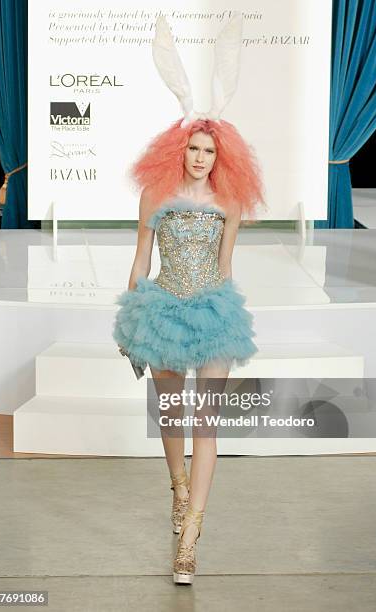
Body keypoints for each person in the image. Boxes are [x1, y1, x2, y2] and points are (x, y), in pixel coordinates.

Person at [112, 14, 267, 585]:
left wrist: (224, 310)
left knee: (206, 421)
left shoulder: (230, 206)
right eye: (194, 148)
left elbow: (226, 267)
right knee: (172, 416)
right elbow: (139, 261)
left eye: (209, 151)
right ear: (179, 148)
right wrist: (130, 326)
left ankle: (191, 536)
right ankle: (177, 490)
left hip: (213, 314)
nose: (201, 158)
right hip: (160, 314)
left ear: (221, 155)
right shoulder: (156, 194)